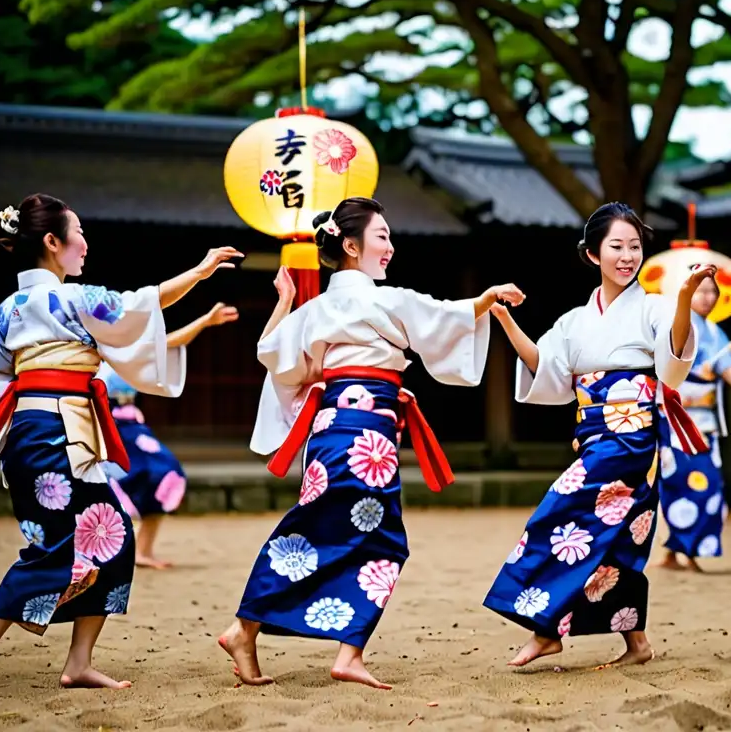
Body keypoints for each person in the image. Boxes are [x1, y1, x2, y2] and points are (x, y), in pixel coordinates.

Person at [219, 197, 524, 690]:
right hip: (366, 436)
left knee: (322, 526)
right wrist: (486, 299)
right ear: (351, 245)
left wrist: (283, 303)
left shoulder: (317, 309)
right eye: (382, 236)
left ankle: (259, 630)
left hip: (331, 432)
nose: (390, 246)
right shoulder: (388, 299)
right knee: (380, 540)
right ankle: (288, 638)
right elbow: (446, 317)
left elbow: (276, 357)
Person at [0, 194, 240, 690]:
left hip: (30, 428)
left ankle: (72, 662)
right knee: (81, 541)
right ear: (53, 242)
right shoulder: (72, 299)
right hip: (61, 428)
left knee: (90, 537)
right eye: (79, 232)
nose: (85, 242)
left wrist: (33, 389)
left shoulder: (9, 309)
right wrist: (200, 272)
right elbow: (143, 303)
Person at [482, 202, 712, 668]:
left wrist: (685, 297)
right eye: (617, 246)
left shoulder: (654, 306)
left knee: (557, 514)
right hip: (593, 433)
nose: (628, 256)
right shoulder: (573, 320)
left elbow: (673, 359)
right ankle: (637, 644)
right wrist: (505, 320)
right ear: (593, 254)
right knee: (618, 538)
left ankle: (545, 629)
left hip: (632, 437)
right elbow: (547, 369)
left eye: (635, 247)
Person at [102, 303, 240, 568]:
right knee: (105, 487)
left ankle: (142, 549)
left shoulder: (130, 354)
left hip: (133, 430)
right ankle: (105, 552)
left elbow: (170, 343)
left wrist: (204, 321)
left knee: (164, 473)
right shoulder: (90, 354)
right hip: (103, 430)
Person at [655, 280, 731, 572]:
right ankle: (680, 551)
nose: (708, 297)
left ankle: (680, 551)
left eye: (713, 291)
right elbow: (710, 366)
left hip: (704, 423)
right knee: (683, 484)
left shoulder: (714, 331)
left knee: (708, 486)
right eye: (701, 291)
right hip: (677, 422)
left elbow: (726, 368)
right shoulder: (680, 326)